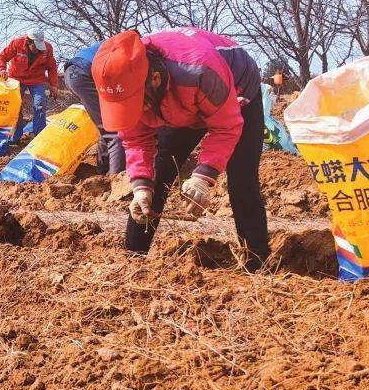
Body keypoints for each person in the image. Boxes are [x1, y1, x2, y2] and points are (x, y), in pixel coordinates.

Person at [92, 28, 269, 270]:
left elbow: (227, 128)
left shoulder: (200, 70)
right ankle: (132, 262)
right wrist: (140, 187)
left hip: (233, 90)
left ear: (154, 79)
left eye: (137, 103)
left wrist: (202, 177)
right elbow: (135, 140)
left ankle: (257, 263)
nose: (137, 112)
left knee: (242, 179)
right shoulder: (127, 82)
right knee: (158, 172)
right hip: (180, 100)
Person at [63, 41, 125, 175]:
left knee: (106, 125)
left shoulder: (110, 43)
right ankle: (116, 181)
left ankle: (102, 171)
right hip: (83, 74)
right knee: (115, 130)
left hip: (72, 74)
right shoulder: (125, 48)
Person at [0, 28, 59, 140]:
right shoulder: (17, 43)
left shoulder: (47, 48)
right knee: (16, 107)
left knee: (40, 104)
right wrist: (2, 69)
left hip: (37, 80)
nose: (38, 49)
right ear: (29, 41)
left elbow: (52, 67)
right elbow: (2, 57)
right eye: (36, 46)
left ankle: (39, 138)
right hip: (17, 78)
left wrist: (54, 85)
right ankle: (15, 137)